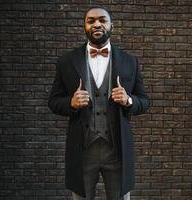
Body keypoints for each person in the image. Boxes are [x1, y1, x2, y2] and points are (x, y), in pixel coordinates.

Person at [48, 5, 149, 200]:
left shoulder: (130, 61)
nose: (97, 24)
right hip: (82, 150)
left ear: (112, 26)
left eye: (102, 20)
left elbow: (144, 101)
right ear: (84, 26)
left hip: (117, 149)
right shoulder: (66, 61)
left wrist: (128, 100)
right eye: (91, 20)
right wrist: (71, 102)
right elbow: (53, 101)